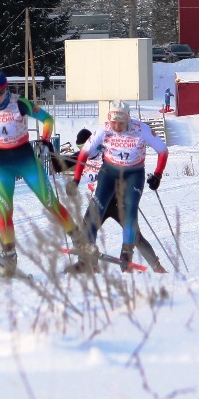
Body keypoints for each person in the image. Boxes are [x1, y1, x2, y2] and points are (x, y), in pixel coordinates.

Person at [0, 70, 75, 275]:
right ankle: (10, 257)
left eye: (0, 93)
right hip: (2, 162)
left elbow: (47, 119)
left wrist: (45, 140)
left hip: (25, 158)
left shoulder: (19, 103)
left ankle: (80, 241)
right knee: (5, 210)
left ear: (6, 90)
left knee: (50, 202)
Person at [70, 101, 169, 272]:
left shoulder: (141, 129)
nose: (117, 127)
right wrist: (76, 180)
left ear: (128, 119)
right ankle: (88, 259)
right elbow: (84, 152)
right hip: (109, 174)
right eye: (113, 122)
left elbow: (163, 150)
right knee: (92, 215)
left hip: (133, 174)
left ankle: (128, 253)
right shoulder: (104, 129)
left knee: (131, 211)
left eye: (121, 123)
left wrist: (157, 175)